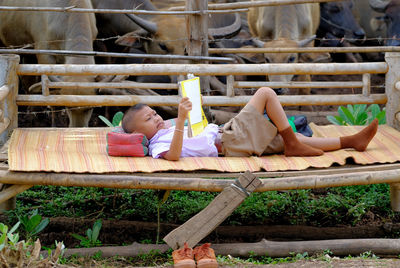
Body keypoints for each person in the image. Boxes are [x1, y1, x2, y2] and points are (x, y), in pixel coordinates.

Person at [121, 87, 378, 161]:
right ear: (136, 133)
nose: (156, 118)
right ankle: (292, 144)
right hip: (229, 142)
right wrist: (178, 124)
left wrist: (194, 108)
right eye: (148, 119)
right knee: (265, 93)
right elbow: (174, 156)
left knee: (290, 140)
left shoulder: (166, 126)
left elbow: (190, 124)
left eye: (154, 113)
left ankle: (351, 142)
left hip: (230, 135)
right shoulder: (157, 145)